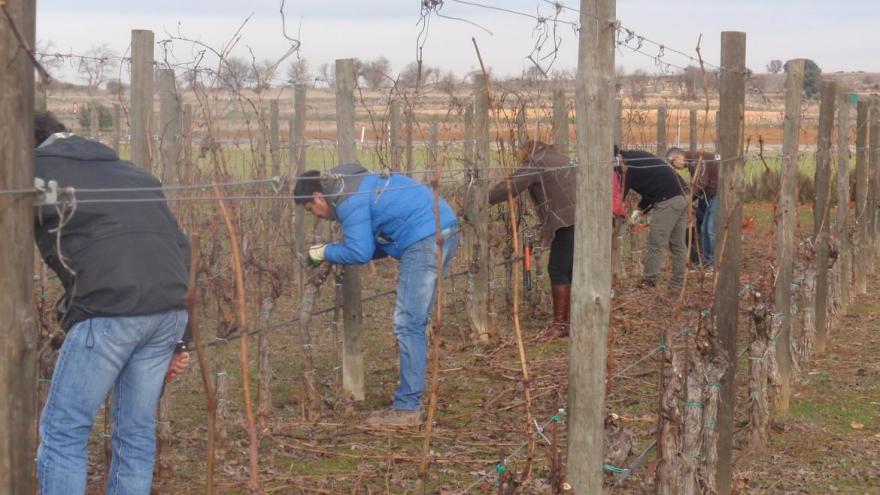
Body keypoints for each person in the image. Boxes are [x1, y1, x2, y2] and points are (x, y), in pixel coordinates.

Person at [33, 111, 192, 495]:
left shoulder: (31, 172)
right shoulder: (133, 172)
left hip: (108, 311)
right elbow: (181, 249)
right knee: (135, 435)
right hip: (168, 313)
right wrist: (181, 339)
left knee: (64, 431)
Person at [294, 163, 458, 427]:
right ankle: (411, 398)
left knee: (408, 324)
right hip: (445, 227)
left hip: (424, 236)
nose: (316, 215)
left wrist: (324, 252)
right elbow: (370, 248)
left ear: (317, 197)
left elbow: (359, 253)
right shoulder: (355, 185)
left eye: (311, 209)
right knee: (415, 322)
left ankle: (407, 409)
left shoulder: (348, 199)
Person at [488, 141, 625, 340]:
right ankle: (581, 318)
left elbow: (511, 187)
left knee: (558, 269)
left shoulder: (535, 162)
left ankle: (561, 324)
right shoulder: (564, 159)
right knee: (575, 269)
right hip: (590, 218)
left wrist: (484, 199)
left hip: (567, 221)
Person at [617, 146, 689, 288]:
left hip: (667, 202)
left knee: (656, 243)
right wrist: (637, 213)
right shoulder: (638, 156)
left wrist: (618, 214)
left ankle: (648, 282)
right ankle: (678, 283)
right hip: (680, 199)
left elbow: (620, 195)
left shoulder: (626, 167)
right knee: (678, 245)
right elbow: (652, 188)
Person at [666, 147, 719, 268]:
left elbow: (700, 183)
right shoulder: (692, 163)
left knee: (711, 229)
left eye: (673, 164)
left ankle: (713, 262)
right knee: (705, 228)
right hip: (710, 195)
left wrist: (687, 200)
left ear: (678, 157)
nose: (675, 167)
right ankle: (706, 260)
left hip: (719, 193)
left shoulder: (698, 159)